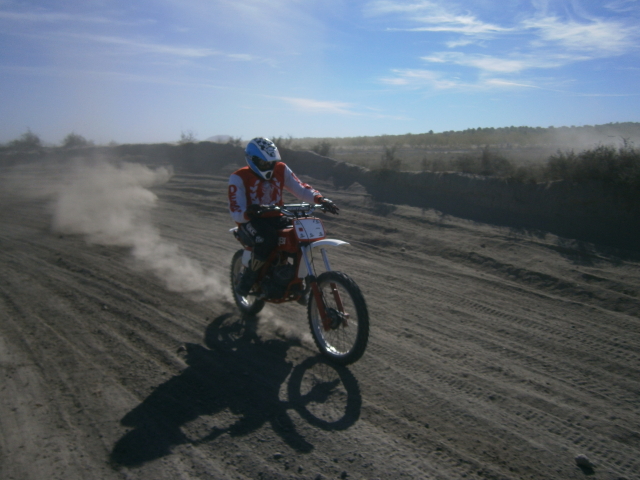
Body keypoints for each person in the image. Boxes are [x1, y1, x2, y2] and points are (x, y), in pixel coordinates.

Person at [228, 137, 339, 297]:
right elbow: (235, 209)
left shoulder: (281, 169)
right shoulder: (238, 177)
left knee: (300, 235)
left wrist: (320, 199)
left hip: (276, 217)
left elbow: (300, 188)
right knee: (267, 238)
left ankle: (294, 277)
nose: (270, 167)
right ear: (253, 160)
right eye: (265, 163)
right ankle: (248, 278)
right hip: (250, 221)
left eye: (272, 162)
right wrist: (248, 212)